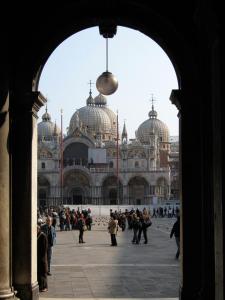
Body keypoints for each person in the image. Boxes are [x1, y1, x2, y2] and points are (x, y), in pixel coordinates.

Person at [37, 225, 48, 292]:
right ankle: (41, 286)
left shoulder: (42, 235)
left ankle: (44, 286)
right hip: (38, 257)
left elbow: (44, 248)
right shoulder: (37, 235)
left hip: (42, 258)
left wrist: (42, 256)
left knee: (43, 272)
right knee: (39, 272)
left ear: (39, 229)